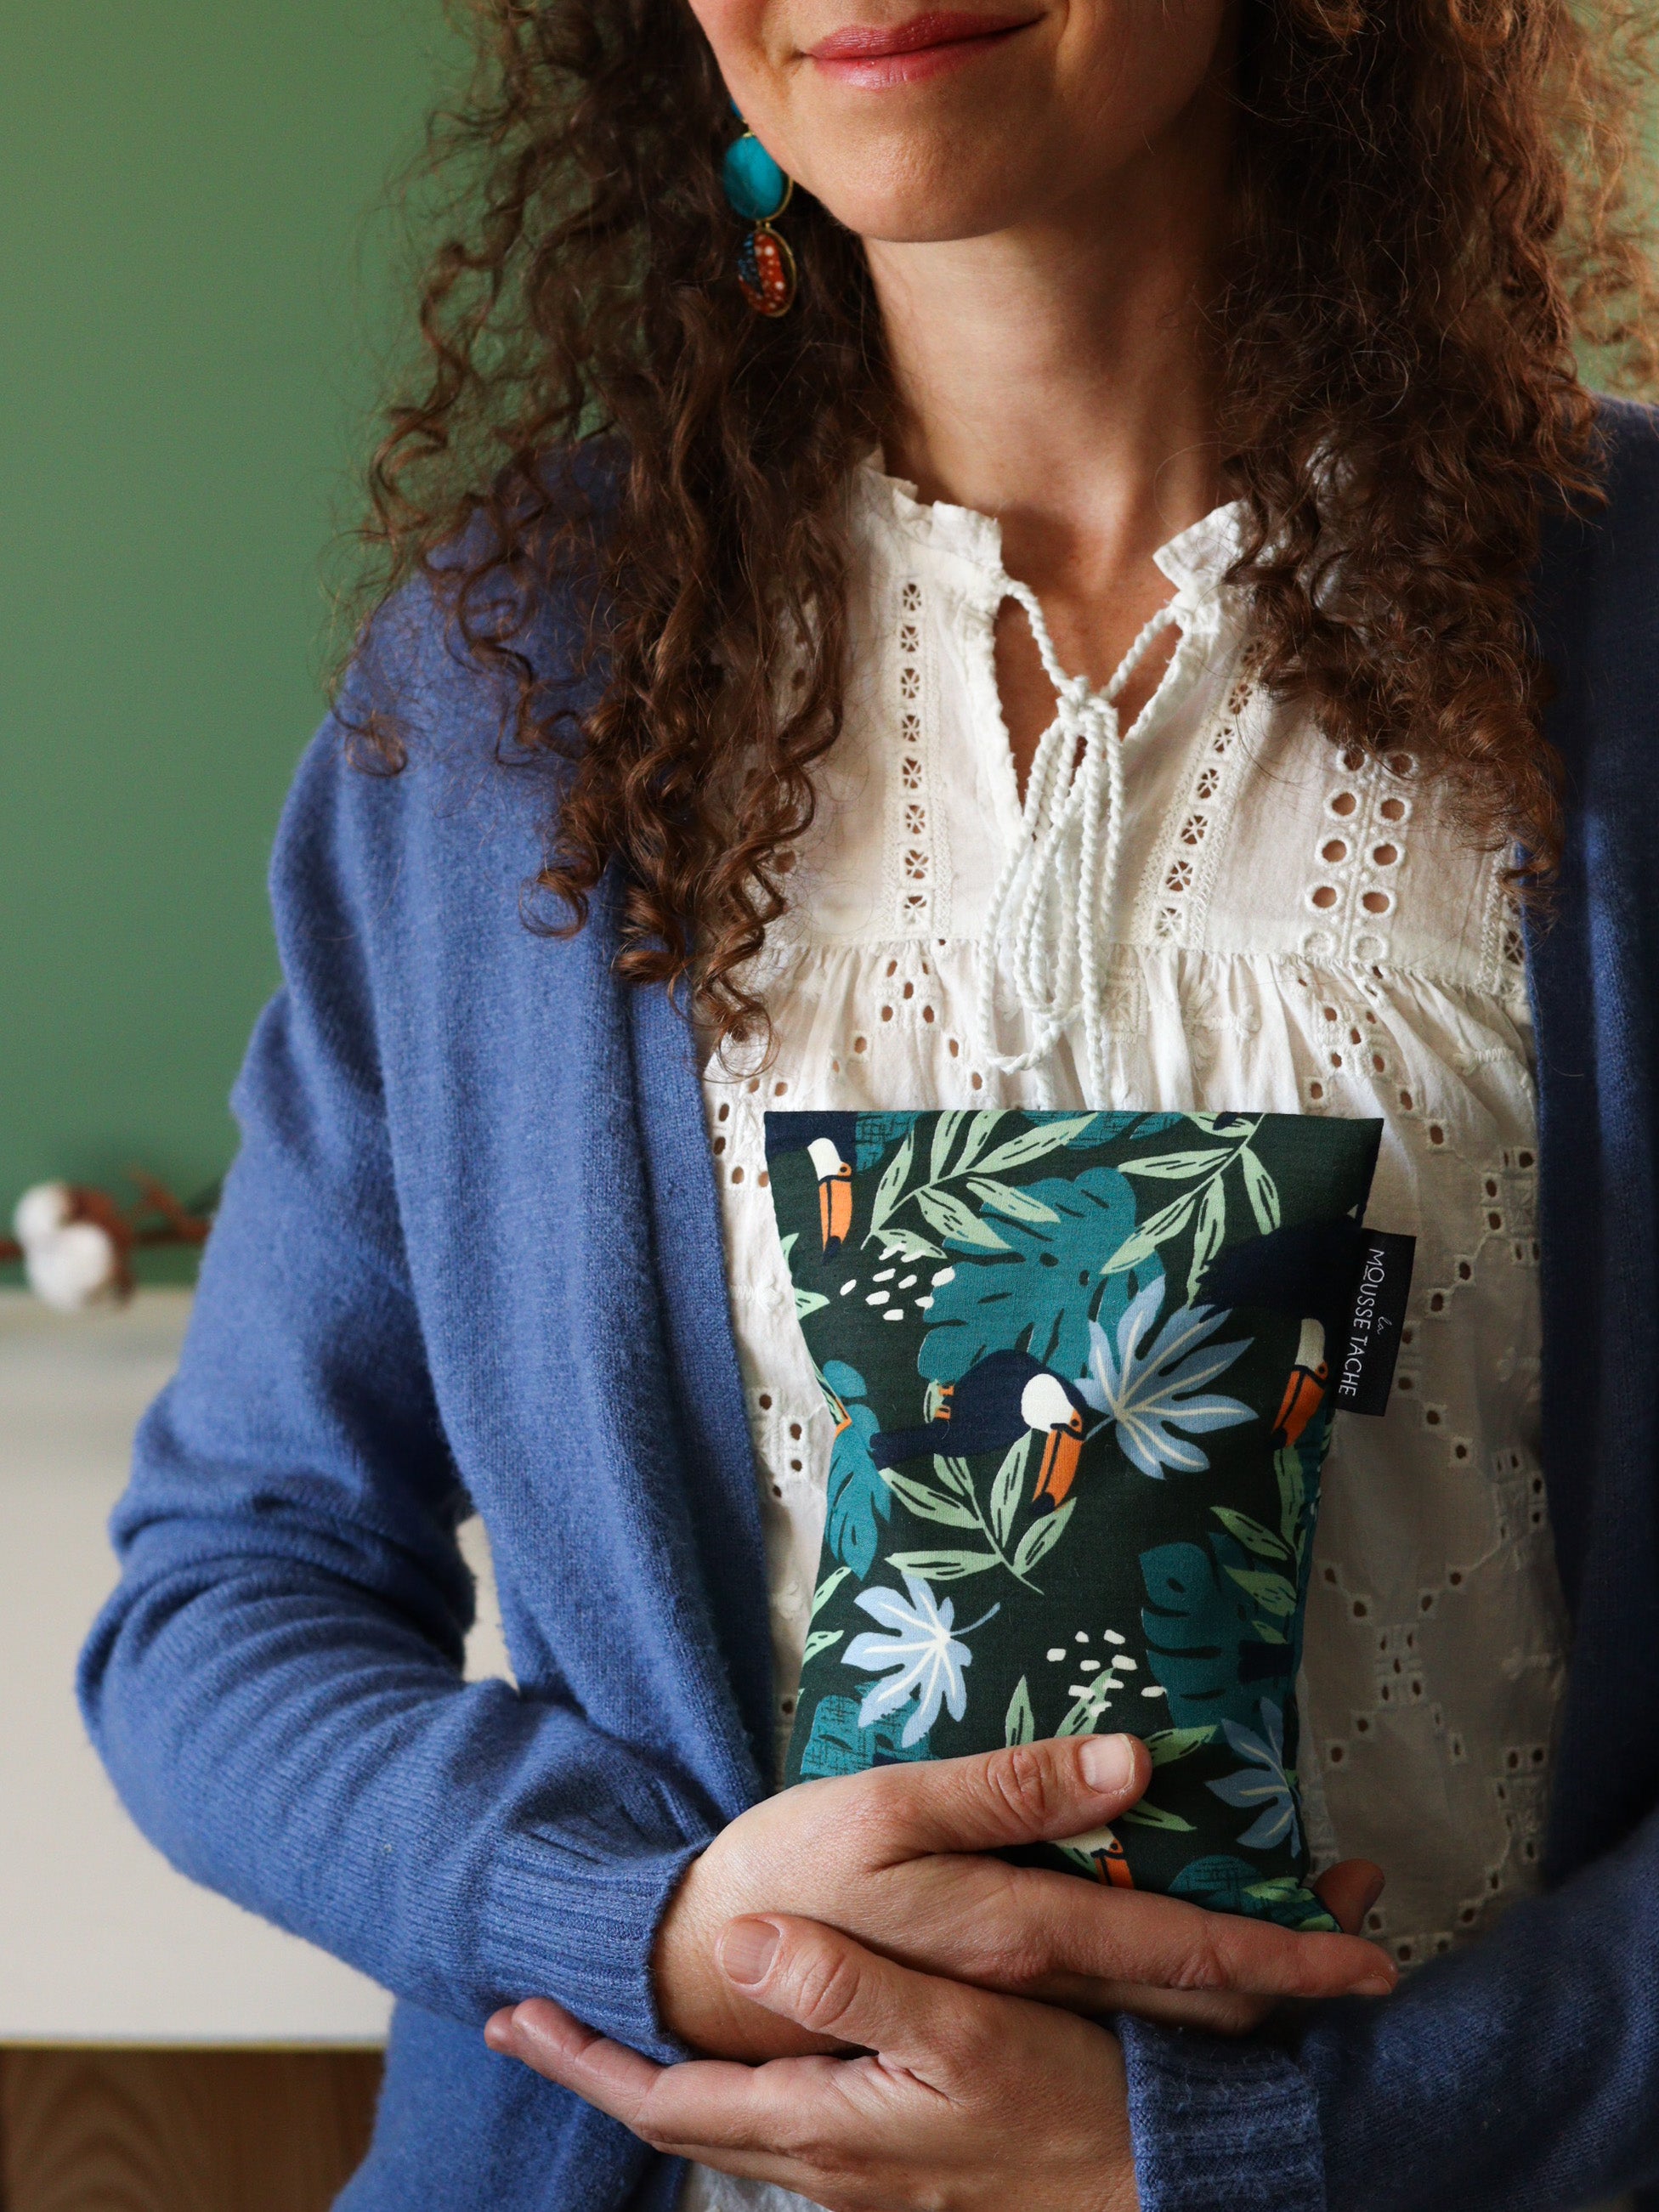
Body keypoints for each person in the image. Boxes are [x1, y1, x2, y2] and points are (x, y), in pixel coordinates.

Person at [78, 1, 1659, 2207]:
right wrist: (646, 1925)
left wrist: (1257, 2141)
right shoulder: (504, 696)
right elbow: (223, 1600)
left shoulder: (1641, 625)